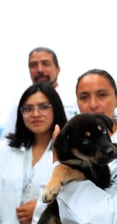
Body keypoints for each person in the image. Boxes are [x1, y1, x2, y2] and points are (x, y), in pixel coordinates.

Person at [31, 62, 117, 224]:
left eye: (102, 95)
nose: (93, 104)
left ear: (116, 99)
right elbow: (41, 214)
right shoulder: (66, 149)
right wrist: (61, 169)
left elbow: (111, 219)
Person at [0, 82, 67, 224]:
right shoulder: (5, 149)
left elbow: (74, 200)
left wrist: (40, 209)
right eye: (28, 109)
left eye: (43, 107)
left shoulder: (67, 153)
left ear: (56, 109)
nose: (35, 114)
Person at [1, 47, 78, 139]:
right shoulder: (19, 103)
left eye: (46, 64)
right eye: (33, 65)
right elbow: (7, 139)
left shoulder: (74, 100)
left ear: (57, 69)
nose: (40, 69)